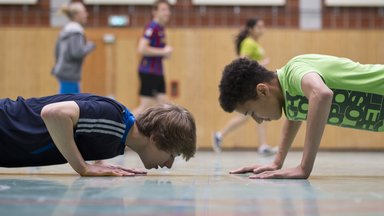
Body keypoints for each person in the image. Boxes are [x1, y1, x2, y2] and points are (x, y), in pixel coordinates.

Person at [218, 54, 384, 179]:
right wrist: (277, 162)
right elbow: (296, 113)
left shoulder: (295, 70)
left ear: (262, 90)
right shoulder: (290, 91)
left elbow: (321, 94)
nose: (258, 120)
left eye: (252, 112)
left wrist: (304, 168)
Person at [0, 93, 196, 177]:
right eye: (172, 155)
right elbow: (53, 114)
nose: (169, 164)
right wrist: (83, 167)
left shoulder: (119, 136)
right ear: (155, 139)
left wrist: (98, 162)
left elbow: (89, 132)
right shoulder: (114, 119)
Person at [213, 18, 276, 155]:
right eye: (259, 26)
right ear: (251, 29)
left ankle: (263, 145)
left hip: (256, 82)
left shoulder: (253, 43)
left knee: (258, 112)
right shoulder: (248, 43)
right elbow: (243, 61)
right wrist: (262, 64)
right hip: (251, 85)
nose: (262, 29)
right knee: (246, 115)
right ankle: (220, 135)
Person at [133, 0, 173, 116]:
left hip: (158, 72)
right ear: (155, 12)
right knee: (144, 107)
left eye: (168, 10)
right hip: (149, 72)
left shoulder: (161, 28)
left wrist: (164, 53)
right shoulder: (152, 27)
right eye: (163, 10)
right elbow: (141, 48)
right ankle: (122, 126)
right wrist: (163, 51)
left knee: (164, 106)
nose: (167, 13)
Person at [51, 2, 95, 94]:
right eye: (83, 12)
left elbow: (57, 51)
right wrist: (89, 46)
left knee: (70, 101)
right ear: (76, 15)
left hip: (64, 72)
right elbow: (76, 53)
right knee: (66, 103)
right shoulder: (76, 31)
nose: (86, 15)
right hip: (69, 74)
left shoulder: (66, 30)